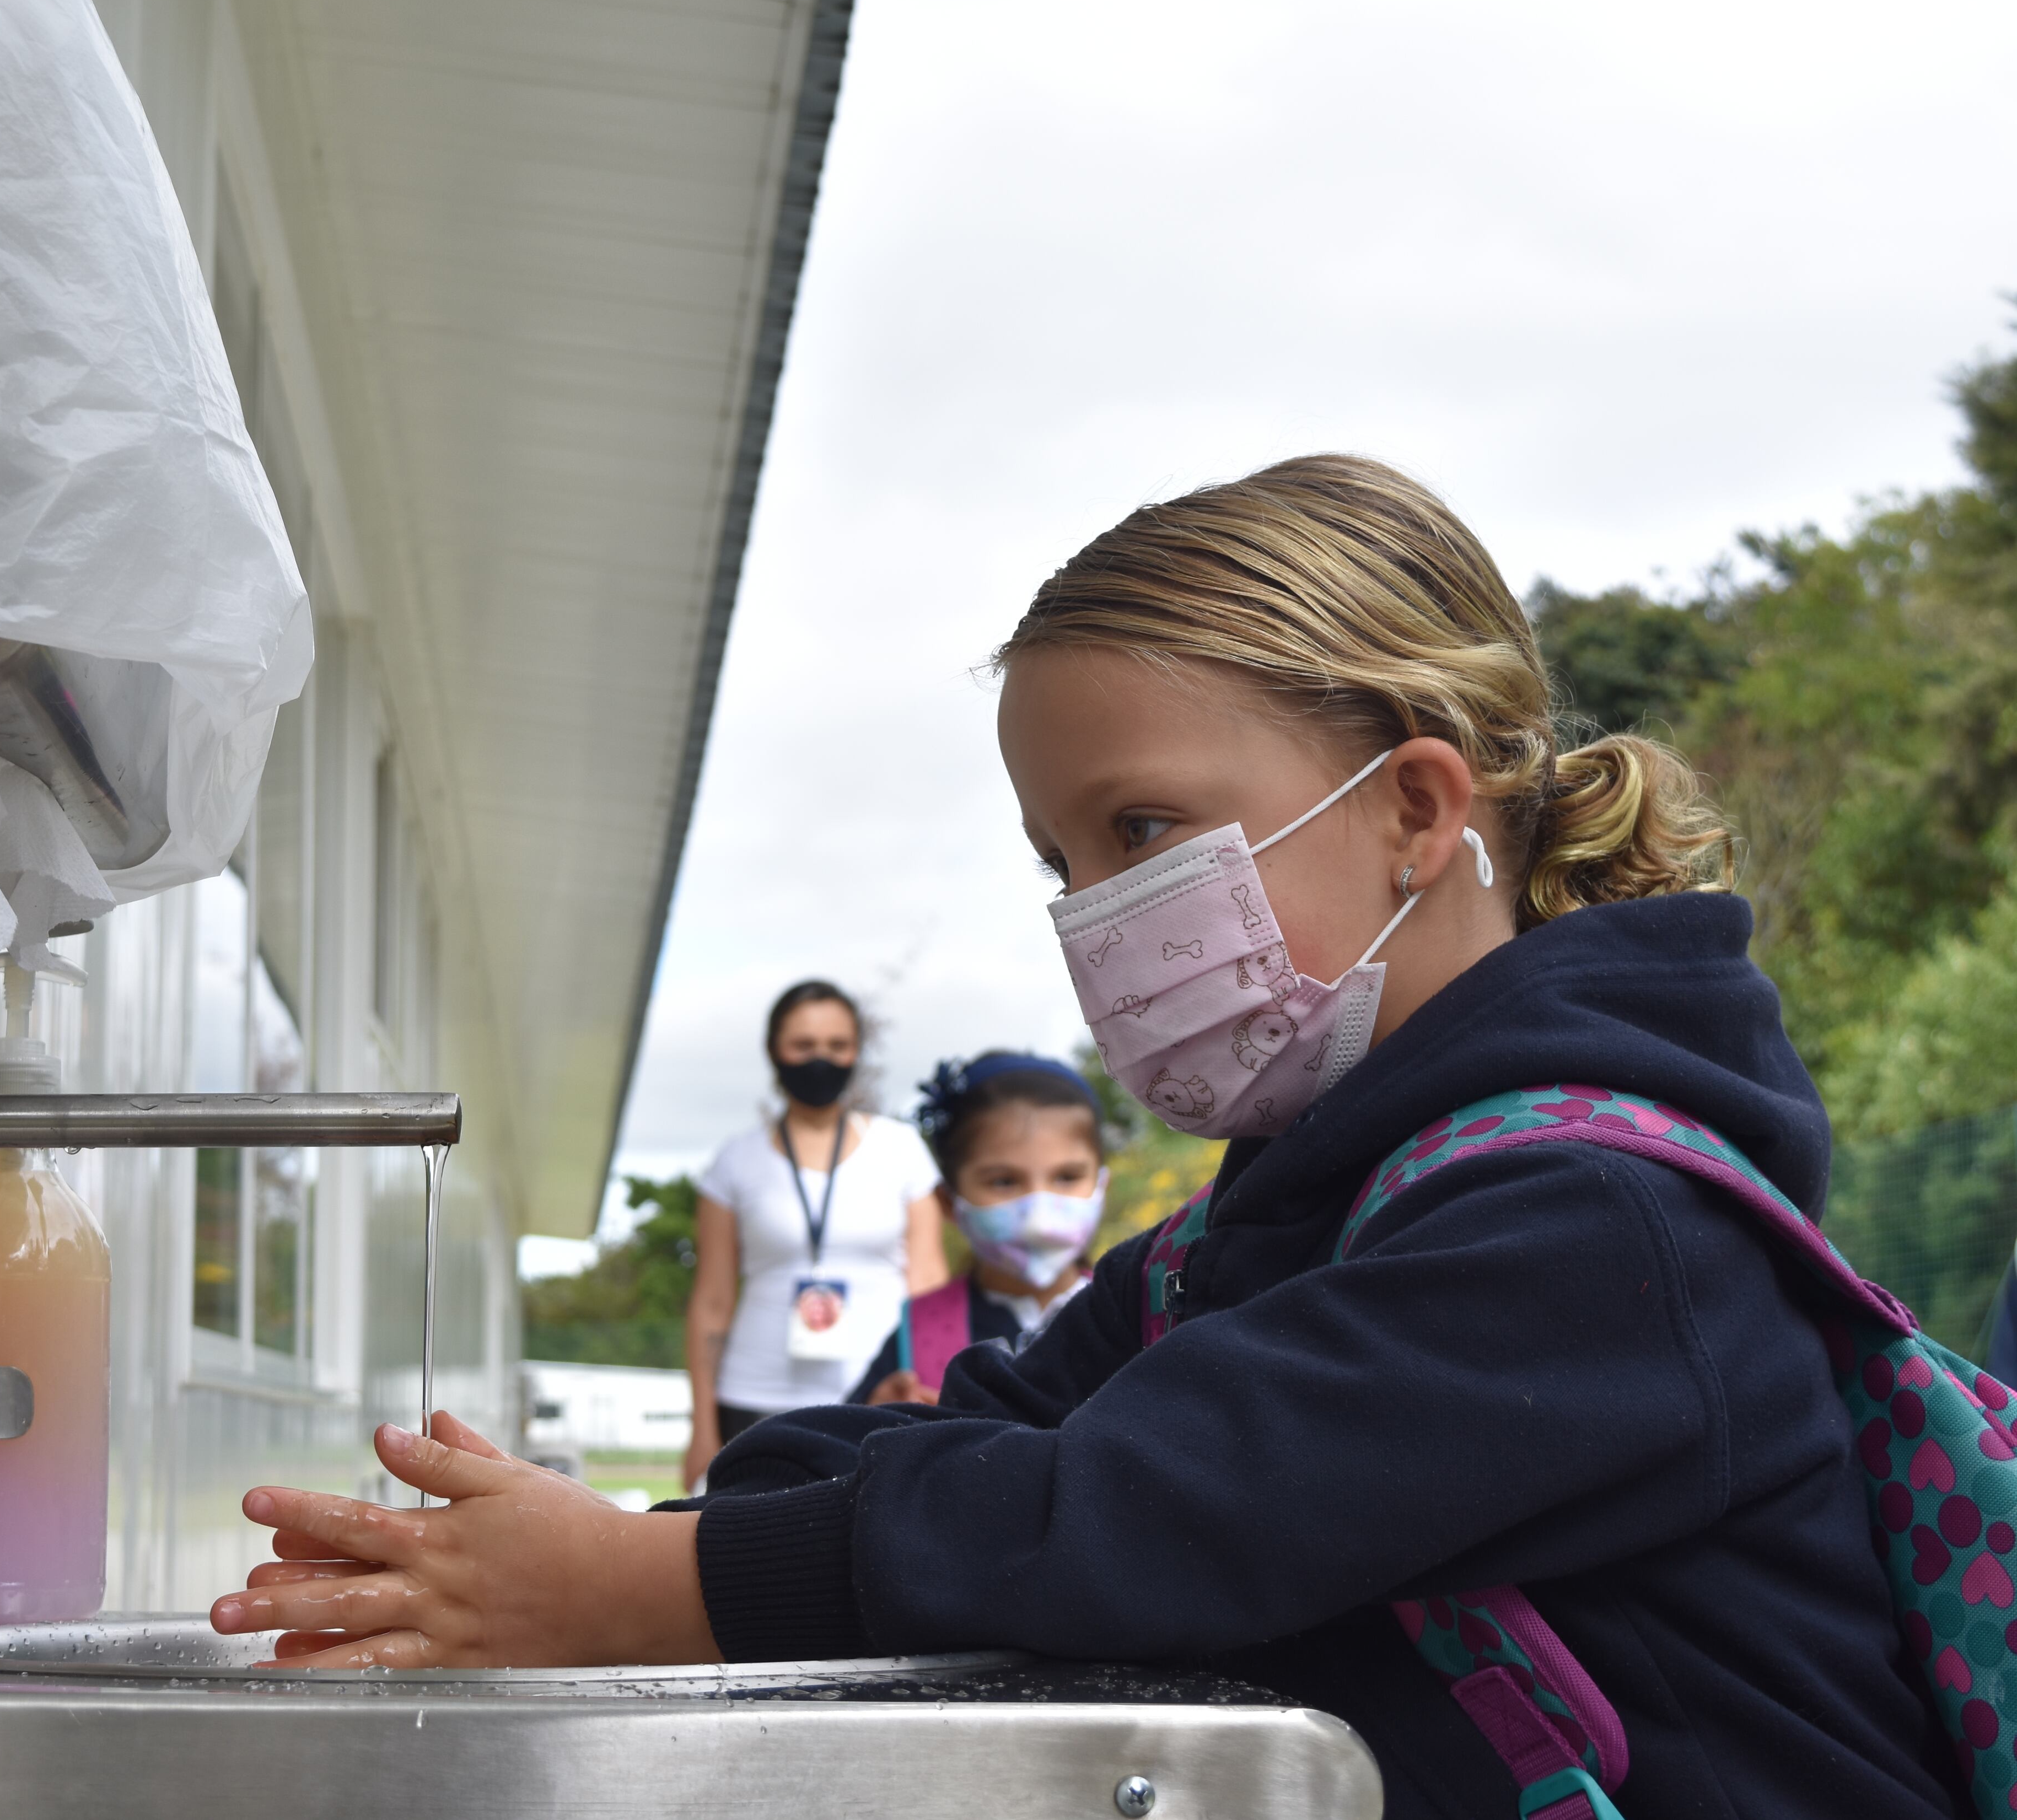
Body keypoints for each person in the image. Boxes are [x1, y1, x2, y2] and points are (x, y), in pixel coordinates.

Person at [209, 456, 1962, 1820]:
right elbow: (994, 1427)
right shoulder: (1282, 1216)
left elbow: (1130, 1513)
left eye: (1142, 826)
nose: (1098, 913)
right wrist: (594, 1543)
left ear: (1418, 807)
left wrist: (644, 1586)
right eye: (1062, 858)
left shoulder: (1598, 1230)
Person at [675, 980, 948, 1491]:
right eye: (803, 1045)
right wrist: (702, 1426)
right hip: (755, 1397)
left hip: (878, 1396)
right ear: (775, 1051)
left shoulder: (902, 1149)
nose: (820, 1059)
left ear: (857, 1053)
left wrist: (929, 1384)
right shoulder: (735, 1161)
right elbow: (711, 1300)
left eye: (837, 1046)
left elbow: (928, 1279)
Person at [848, 1053, 1109, 1406]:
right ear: (949, 1202)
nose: (1039, 1218)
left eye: (1067, 1177)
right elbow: (838, 1448)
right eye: (1004, 1182)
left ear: (1101, 1184)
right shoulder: (919, 1332)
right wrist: (877, 1416)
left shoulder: (1134, 1315)